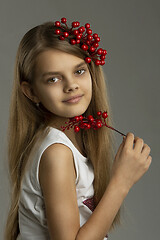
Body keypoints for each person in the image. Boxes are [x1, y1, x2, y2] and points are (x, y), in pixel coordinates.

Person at [4, 18, 152, 240]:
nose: (71, 85)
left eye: (79, 71)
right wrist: (122, 181)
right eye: (53, 79)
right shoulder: (57, 153)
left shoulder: (71, 140)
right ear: (31, 92)